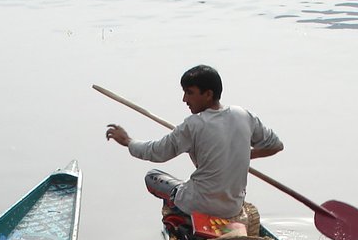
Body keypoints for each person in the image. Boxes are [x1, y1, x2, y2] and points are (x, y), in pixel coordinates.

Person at [105, 64, 283, 224]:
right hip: (232, 208)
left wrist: (128, 141)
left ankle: (182, 219)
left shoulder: (193, 125)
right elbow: (275, 145)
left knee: (152, 177)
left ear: (208, 94)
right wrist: (242, 154)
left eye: (189, 92)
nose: (184, 99)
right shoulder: (244, 115)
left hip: (200, 205)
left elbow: (155, 152)